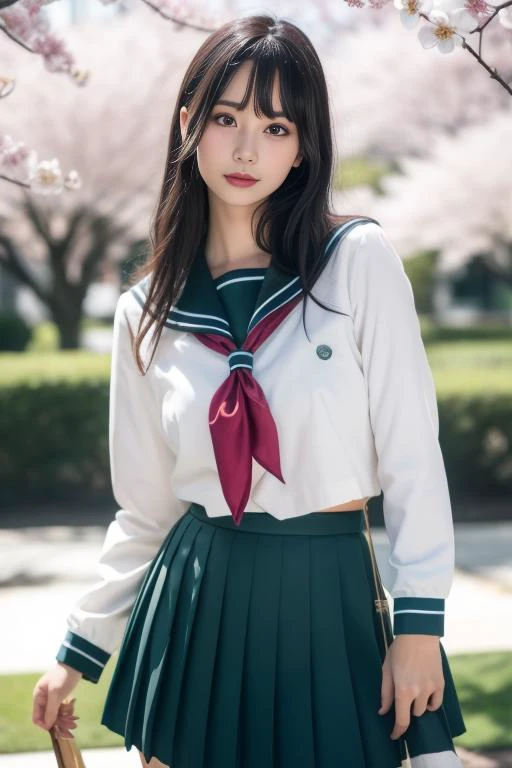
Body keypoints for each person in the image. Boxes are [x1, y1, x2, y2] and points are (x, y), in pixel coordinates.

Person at [32, 13, 467, 768]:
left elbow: (412, 459)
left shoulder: (355, 262)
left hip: (329, 592)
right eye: (225, 118)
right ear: (187, 125)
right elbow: (146, 508)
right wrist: (80, 647)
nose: (244, 149)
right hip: (199, 605)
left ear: (304, 146)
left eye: (275, 127)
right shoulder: (146, 312)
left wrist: (419, 626)